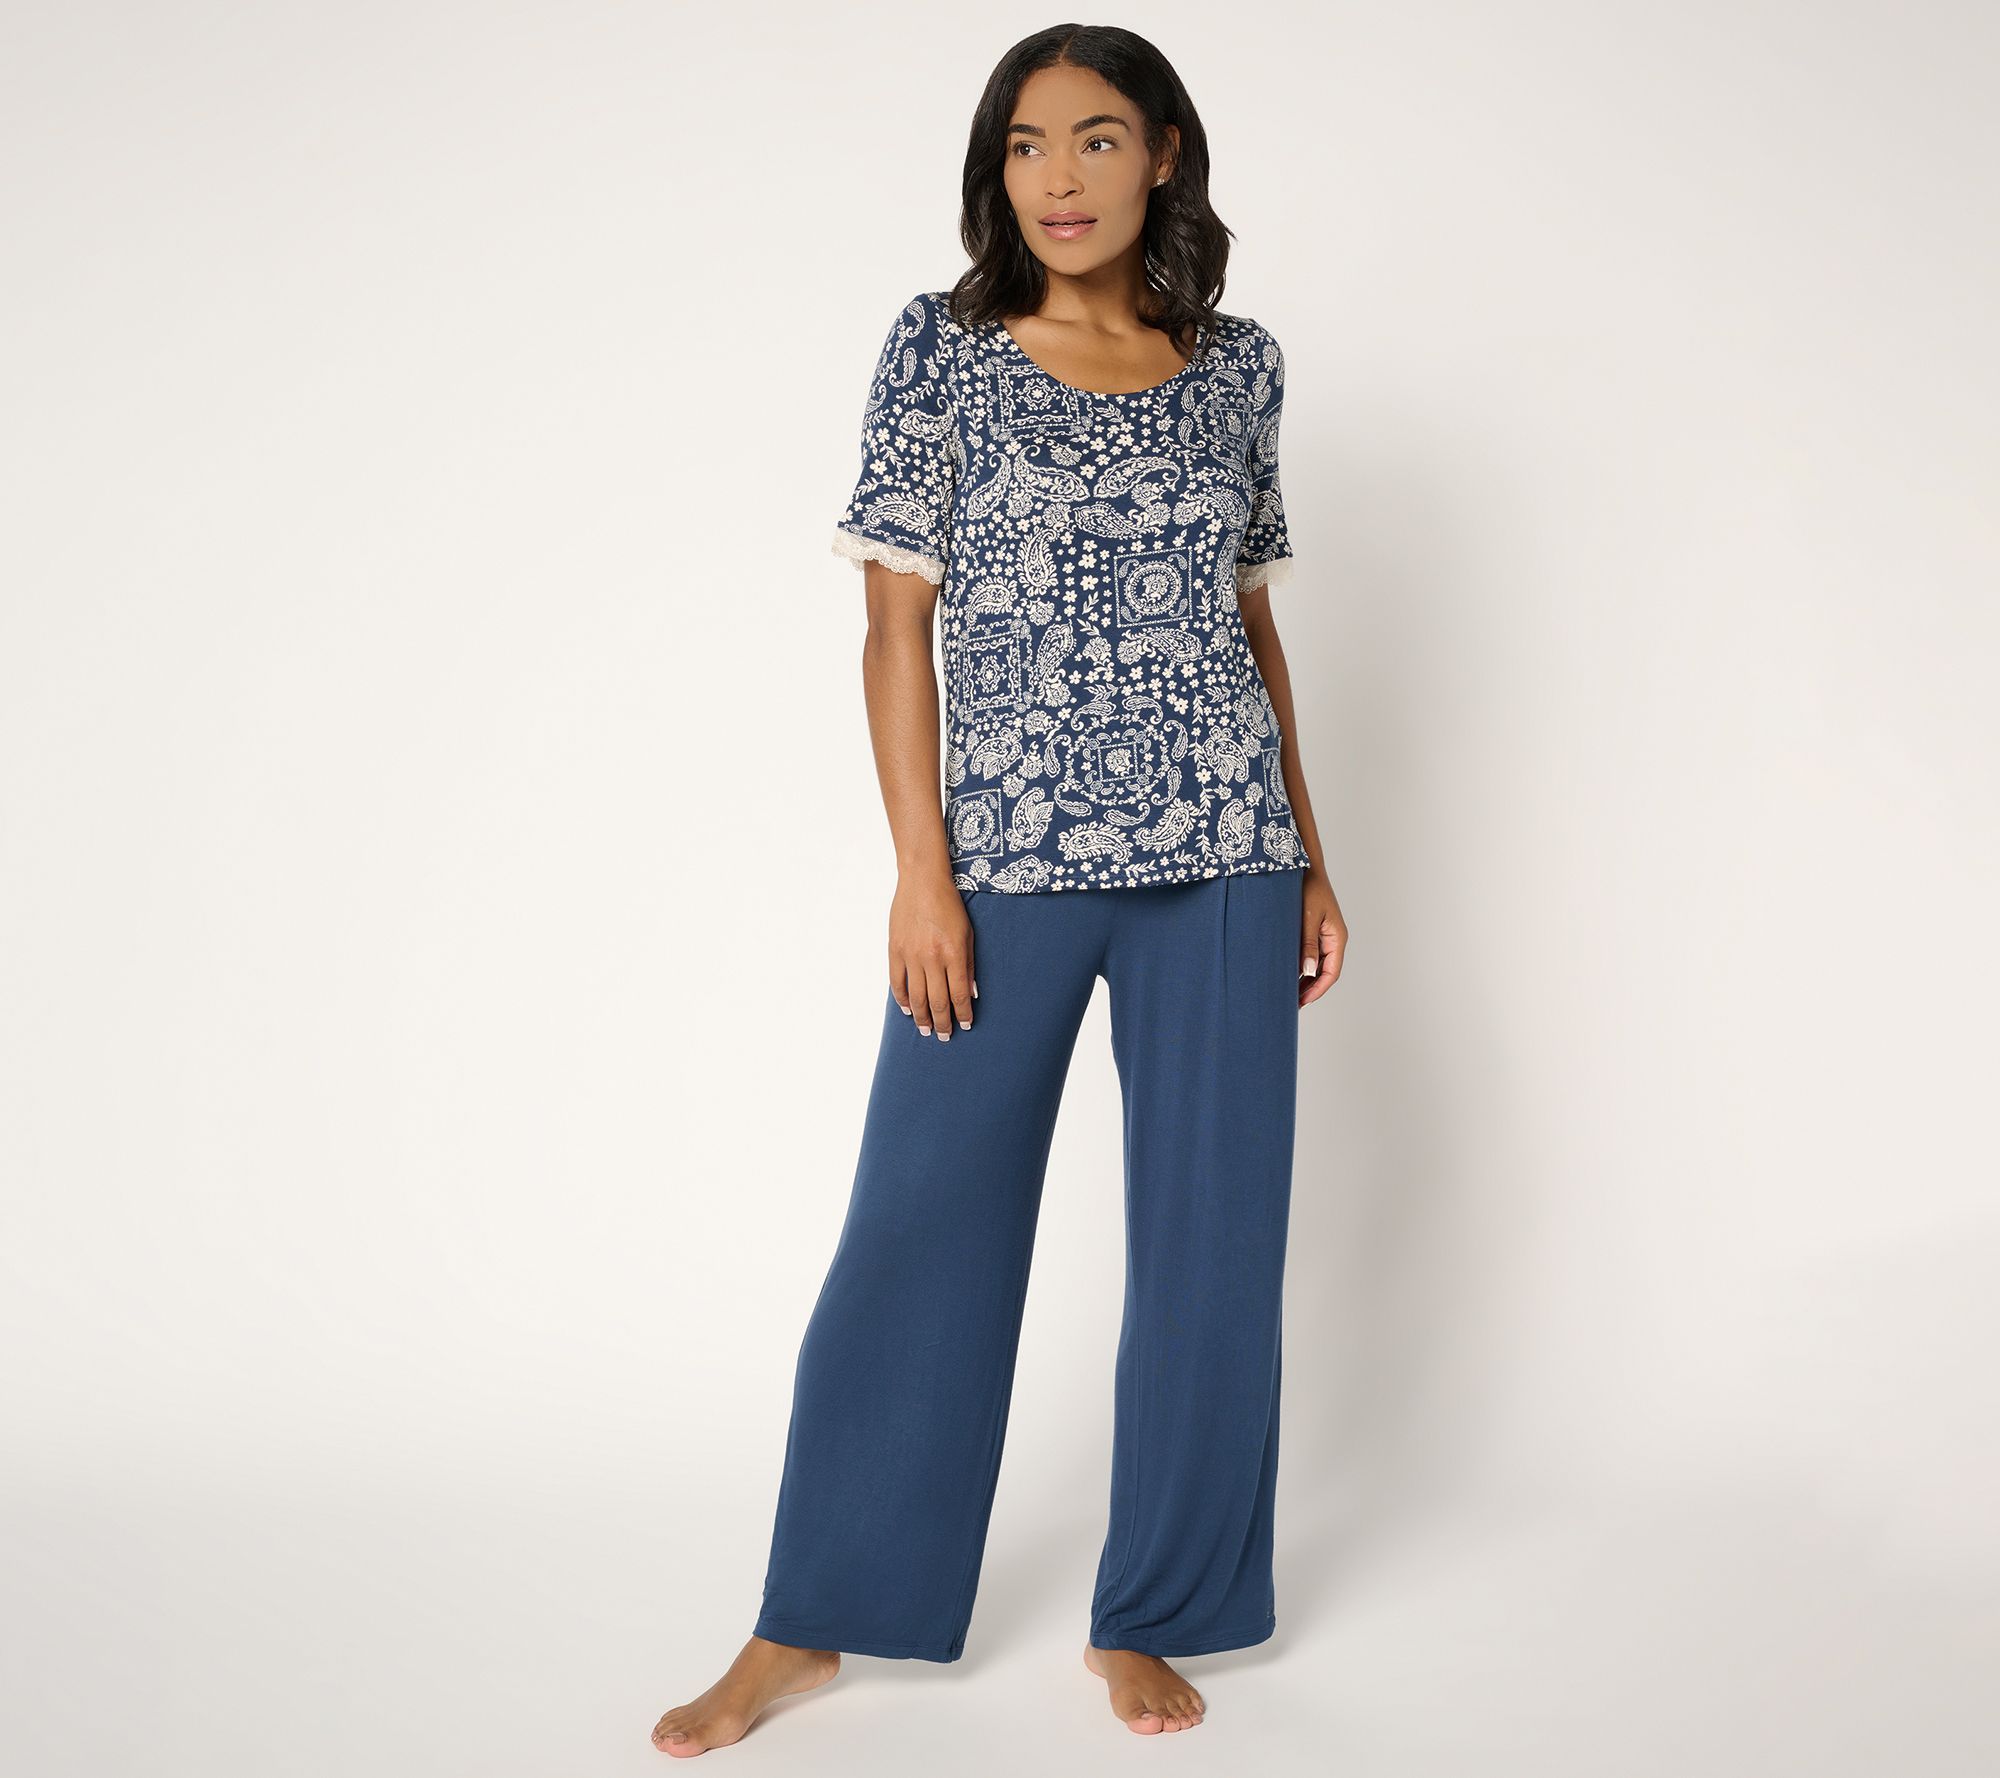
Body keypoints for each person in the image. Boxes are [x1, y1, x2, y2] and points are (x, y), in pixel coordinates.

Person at [653, 24, 1346, 1755]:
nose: (1059, 177)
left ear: (1165, 153)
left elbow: (1249, 626)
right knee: (920, 1223)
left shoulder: (1239, 365)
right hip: (1008, 862)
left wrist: (1315, 856)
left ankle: (1158, 1610)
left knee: (1212, 1250)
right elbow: (893, 628)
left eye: (1098, 139)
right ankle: (811, 1618)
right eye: (1027, 145)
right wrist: (923, 876)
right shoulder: (942, 349)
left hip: (1228, 855)